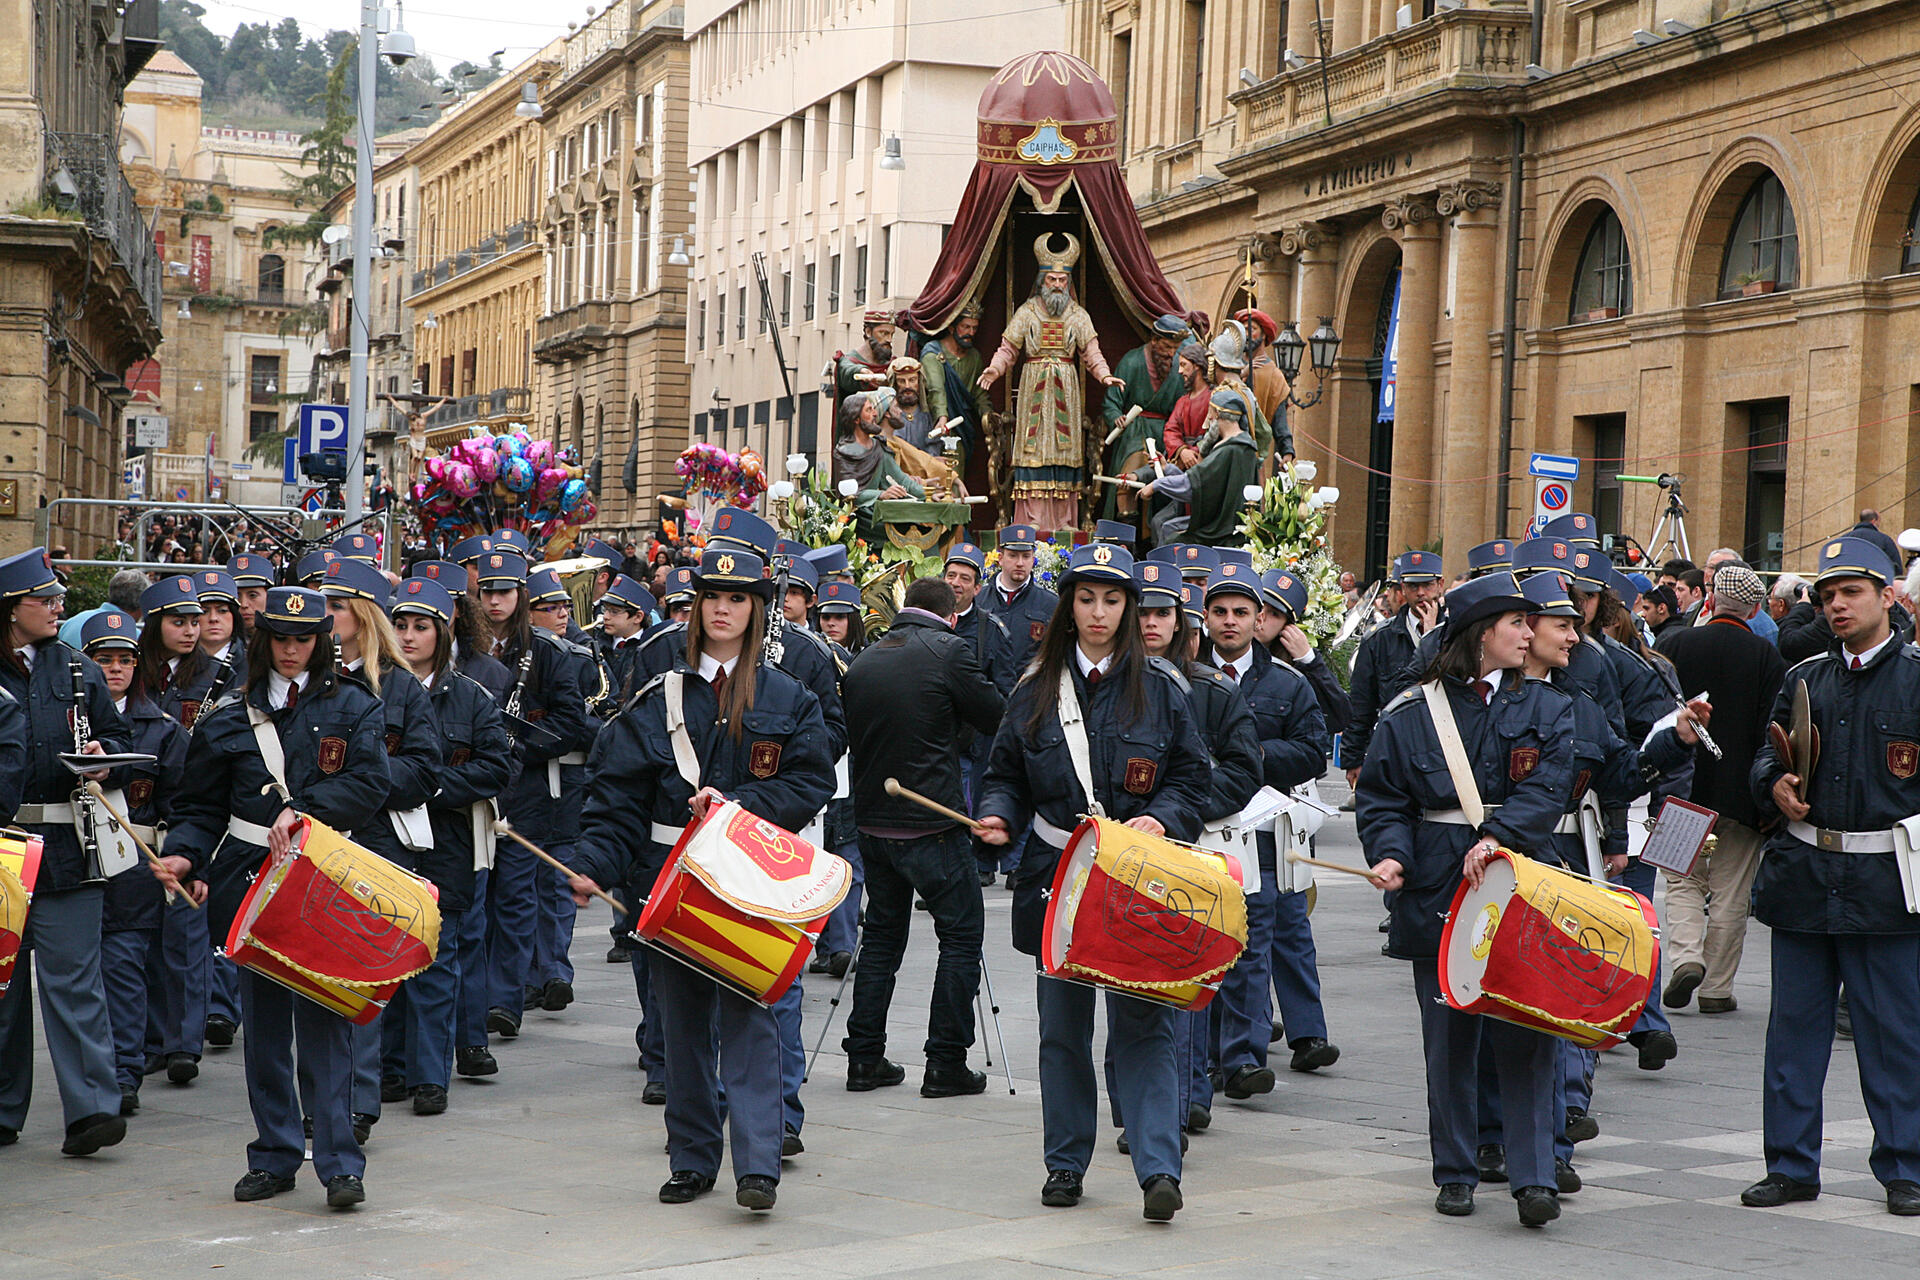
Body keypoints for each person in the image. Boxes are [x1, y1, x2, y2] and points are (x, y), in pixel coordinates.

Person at [566, 548, 836, 1214]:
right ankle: (691, 1159)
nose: (722, 608)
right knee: (680, 1029)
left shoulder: (787, 696)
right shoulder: (658, 694)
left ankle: (758, 1165)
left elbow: (812, 781)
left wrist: (741, 804)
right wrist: (595, 863)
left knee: (753, 1022)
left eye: (738, 598)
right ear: (692, 607)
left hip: (750, 885)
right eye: (711, 596)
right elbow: (615, 794)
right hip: (672, 883)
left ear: (757, 609)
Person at [976, 542, 1210, 1221]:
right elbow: (1004, 776)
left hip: (1138, 881)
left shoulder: (1164, 689)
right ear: (1068, 606)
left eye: (1112, 600)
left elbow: (1194, 778)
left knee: (1144, 1024)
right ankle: (1066, 1163)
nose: (1099, 613)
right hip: (1060, 878)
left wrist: (1163, 820)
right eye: (1086, 599)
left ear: (1130, 608)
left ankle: (1158, 1167)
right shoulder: (1033, 690)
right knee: (1063, 1029)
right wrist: (996, 815)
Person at [152, 586, 392, 1208]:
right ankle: (275, 1154)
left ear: (322, 642)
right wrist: (183, 851)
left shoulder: (355, 706)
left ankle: (341, 1163)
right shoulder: (228, 714)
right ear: (264, 644)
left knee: (325, 1024)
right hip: (249, 879)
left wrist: (304, 812)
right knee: (263, 1029)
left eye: (303, 639)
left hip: (323, 879)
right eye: (281, 640)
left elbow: (371, 784)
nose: (291, 650)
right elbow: (200, 804)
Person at [1356, 571, 1575, 1226]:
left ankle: (1534, 1175)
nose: (1529, 634)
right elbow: (1383, 797)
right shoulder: (1409, 713)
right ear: (1483, 635)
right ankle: (1454, 1172)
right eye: (1517, 624)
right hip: (1437, 890)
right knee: (1449, 1040)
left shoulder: (1547, 707)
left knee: (1529, 1036)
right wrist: (1390, 854)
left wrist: (1499, 835)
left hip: (1520, 886)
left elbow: (1550, 786)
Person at [1741, 537, 1920, 1217]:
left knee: (1896, 1035)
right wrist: (1773, 784)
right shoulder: (1805, 677)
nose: (1837, 606)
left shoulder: (1916, 677)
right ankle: (1789, 1166)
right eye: (1827, 596)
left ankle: (1906, 1166)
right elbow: (1768, 750)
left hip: (1887, 884)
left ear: (1888, 596)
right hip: (1806, 876)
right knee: (1794, 1033)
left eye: (1851, 592)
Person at [840, 575, 1004, 1096]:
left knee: (882, 940)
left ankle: (864, 1057)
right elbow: (995, 713)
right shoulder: (948, 650)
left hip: (872, 821)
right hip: (931, 824)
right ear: (951, 614)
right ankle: (946, 1061)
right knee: (959, 937)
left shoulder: (865, 658)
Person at [0, 550, 131, 1156]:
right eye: (44, 600)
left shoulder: (75, 670)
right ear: (9, 610)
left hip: (66, 847)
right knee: (2, 989)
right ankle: (3, 1109)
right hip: (3, 849)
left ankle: (94, 1110)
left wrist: (105, 759)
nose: (59, 608)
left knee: (76, 984)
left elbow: (122, 740)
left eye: (57, 598)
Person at [1130, 560, 1261, 1136]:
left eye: (1162, 614)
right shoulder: (1109, 689)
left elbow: (1243, 769)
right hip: (1129, 851)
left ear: (1184, 624)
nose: (1151, 624)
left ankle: (1187, 1093)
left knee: (1186, 971)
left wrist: (1180, 808)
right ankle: (1147, 1103)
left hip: (1193, 846)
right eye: (1143, 614)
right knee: (1132, 980)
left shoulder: (1210, 690)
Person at [1201, 562, 1337, 1098]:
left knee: (1255, 941)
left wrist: (1251, 757)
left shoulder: (1287, 683)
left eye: (1241, 613)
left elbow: (1311, 750)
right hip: (1205, 825)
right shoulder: (1181, 675)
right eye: (1220, 612)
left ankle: (1243, 1058)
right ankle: (1209, 1053)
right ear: (1206, 618)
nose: (1230, 622)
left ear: (1260, 619)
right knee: (1211, 937)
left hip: (1263, 829)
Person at [320, 558, 442, 1139]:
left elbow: (423, 770)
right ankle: (324, 1095)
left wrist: (359, 783)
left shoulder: (401, 686)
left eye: (335, 606)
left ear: (363, 616)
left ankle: (356, 1102)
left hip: (377, 840)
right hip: (314, 841)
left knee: (363, 972)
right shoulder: (309, 681)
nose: (323, 617)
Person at [386, 578, 513, 1117]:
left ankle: (430, 1076)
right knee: (385, 958)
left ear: (445, 629)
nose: (409, 637)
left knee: (437, 960)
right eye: (401, 625)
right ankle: (389, 1069)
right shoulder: (370, 689)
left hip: (449, 842)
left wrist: (433, 785)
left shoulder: (472, 696)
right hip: (385, 838)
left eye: (421, 627)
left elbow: (497, 767)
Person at [1654, 562, 1786, 1014]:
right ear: (1753, 609)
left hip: (1683, 787)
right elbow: (1772, 730)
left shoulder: (1675, 643)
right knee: (1731, 890)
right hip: (1742, 793)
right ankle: (1716, 989)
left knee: (1681, 880)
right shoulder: (1767, 657)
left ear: (1709, 599)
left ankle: (1686, 957)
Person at [472, 552, 592, 1043]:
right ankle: (475, 995)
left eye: (505, 591)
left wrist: (517, 743)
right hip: (473, 793)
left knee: (518, 897)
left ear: (521, 595)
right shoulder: (463, 650)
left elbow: (571, 723)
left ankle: (505, 999)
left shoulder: (548, 651)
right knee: (476, 899)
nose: (495, 600)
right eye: (487, 592)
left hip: (527, 793)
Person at [82, 610, 188, 1116]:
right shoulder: (63, 719)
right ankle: (92, 1073)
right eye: (104, 659)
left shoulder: (162, 730)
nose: (116, 669)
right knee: (79, 975)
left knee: (125, 967)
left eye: (126, 659)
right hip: (72, 864)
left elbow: (183, 802)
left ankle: (125, 1072)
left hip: (133, 868)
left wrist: (179, 856)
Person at [977, 233, 1125, 531]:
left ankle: (1064, 521)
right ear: (1042, 281)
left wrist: (1105, 374)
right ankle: (1031, 521)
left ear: (1068, 283)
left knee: (1063, 451)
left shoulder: (1077, 315)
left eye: (1062, 280)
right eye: (1052, 280)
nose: (1057, 285)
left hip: (1065, 389)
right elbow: (1008, 348)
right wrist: (994, 369)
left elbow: (1091, 352)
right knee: (1033, 453)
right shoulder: (1027, 312)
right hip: (1034, 387)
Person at [942, 543, 1017, 885]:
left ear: (977, 588)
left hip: (974, 744)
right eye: (951, 575)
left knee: (966, 808)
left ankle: (967, 871)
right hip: (934, 740)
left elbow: (1004, 690)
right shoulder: (928, 623)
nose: (956, 583)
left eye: (964, 578)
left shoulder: (991, 631)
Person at [1344, 551, 1444, 785]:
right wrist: (1353, 759)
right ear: (1402, 588)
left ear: (1440, 585)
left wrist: (1432, 636)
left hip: (1443, 747)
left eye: (1427, 584)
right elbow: (1361, 704)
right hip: (1395, 746)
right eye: (1412, 586)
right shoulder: (1379, 638)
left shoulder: (1456, 633)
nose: (1420, 593)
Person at [1135, 389, 1261, 548]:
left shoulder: (1229, 450)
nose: (1208, 418)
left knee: (1171, 541)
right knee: (1167, 527)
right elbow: (1201, 479)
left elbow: (1192, 485)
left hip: (1219, 533)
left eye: (1210, 412)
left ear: (1217, 414)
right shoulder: (1243, 447)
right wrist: (1167, 468)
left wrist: (1155, 485)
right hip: (1229, 528)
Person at [1100, 314, 1190, 521]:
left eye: (1175, 348)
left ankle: (1150, 538)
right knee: (1127, 482)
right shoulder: (1132, 362)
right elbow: (1112, 401)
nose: (1171, 354)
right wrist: (1117, 418)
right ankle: (1126, 530)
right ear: (1155, 340)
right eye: (1167, 347)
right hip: (1134, 430)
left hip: (1166, 431)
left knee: (1162, 484)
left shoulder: (1179, 365)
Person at [918, 302, 988, 468]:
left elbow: (979, 393)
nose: (970, 333)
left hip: (960, 428)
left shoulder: (974, 357)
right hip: (934, 424)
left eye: (974, 328)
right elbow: (936, 389)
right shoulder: (933, 353)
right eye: (965, 327)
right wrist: (942, 417)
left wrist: (988, 413)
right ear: (951, 327)